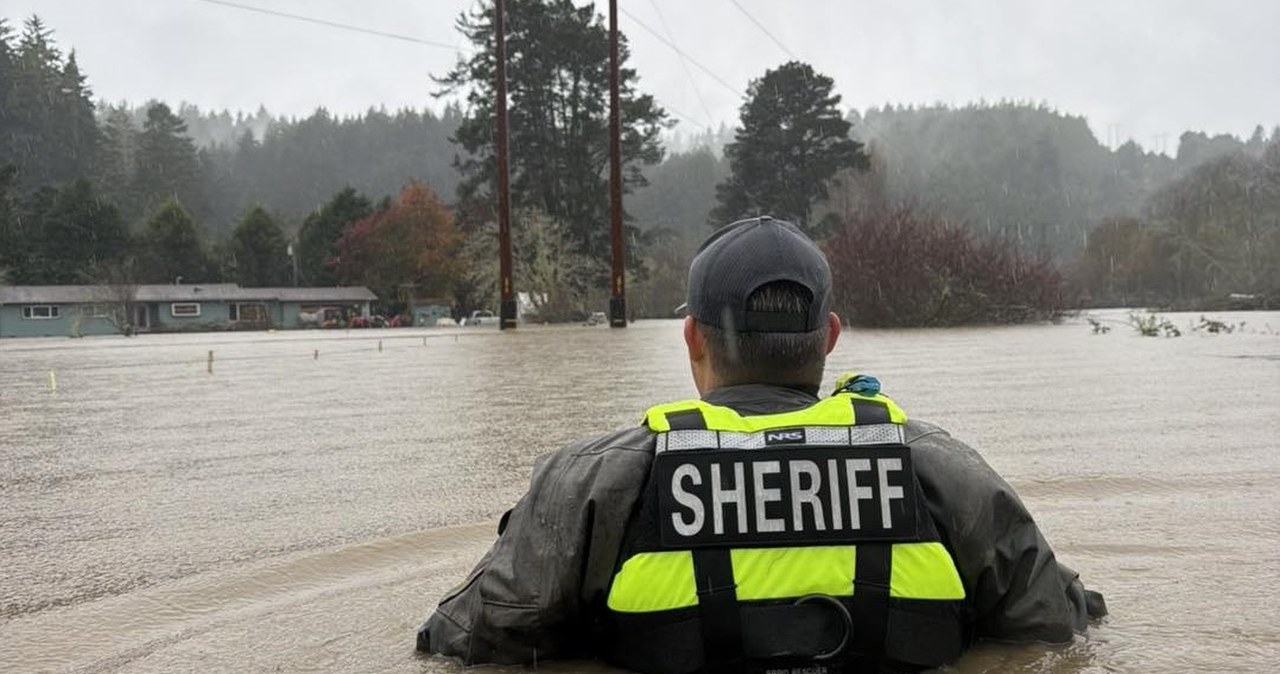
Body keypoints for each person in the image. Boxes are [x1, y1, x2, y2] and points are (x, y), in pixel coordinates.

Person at [416, 216, 1105, 673]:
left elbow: (459, 642)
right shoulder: (943, 470)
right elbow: (1059, 629)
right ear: (830, 337)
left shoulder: (593, 483)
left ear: (691, 338)